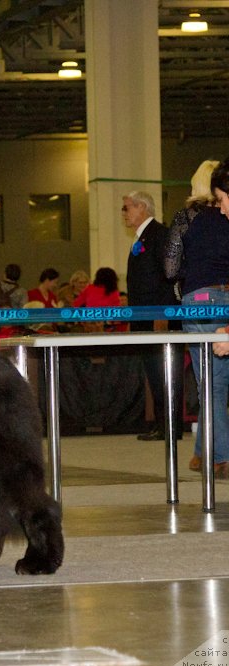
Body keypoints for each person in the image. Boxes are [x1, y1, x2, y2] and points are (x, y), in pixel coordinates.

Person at [172, 158, 229, 478]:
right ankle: (200, 452)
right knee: (217, 382)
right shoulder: (224, 218)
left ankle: (221, 457)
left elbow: (170, 267)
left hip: (199, 299)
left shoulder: (187, 217)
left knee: (209, 383)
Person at [123, 190, 182, 442]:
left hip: (159, 315)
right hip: (144, 315)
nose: (123, 214)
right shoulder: (143, 236)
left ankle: (171, 425)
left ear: (142, 207)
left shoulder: (159, 234)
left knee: (165, 371)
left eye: (127, 208)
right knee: (155, 372)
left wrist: (163, 312)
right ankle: (163, 423)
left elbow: (169, 275)